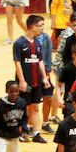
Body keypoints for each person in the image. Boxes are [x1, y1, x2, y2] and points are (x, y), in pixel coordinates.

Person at [13, 13, 50, 143]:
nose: (42, 29)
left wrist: (44, 78)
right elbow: (17, 62)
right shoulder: (19, 43)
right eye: (40, 26)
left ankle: (36, 133)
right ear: (33, 27)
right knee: (24, 107)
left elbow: (40, 61)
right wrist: (22, 80)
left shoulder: (37, 43)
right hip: (26, 80)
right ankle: (22, 132)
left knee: (35, 107)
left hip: (36, 81)